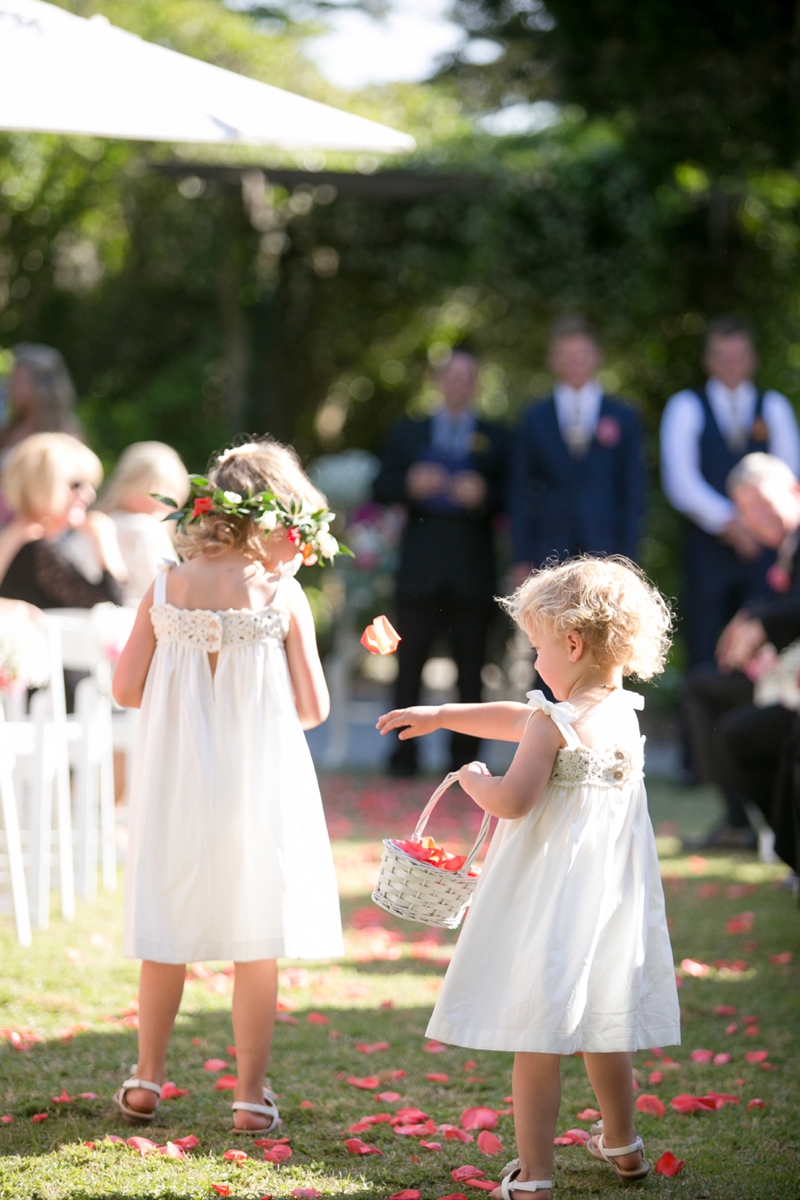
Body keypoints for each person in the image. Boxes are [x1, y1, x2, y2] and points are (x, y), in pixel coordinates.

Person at [377, 557, 678, 1197]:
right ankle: (622, 1141)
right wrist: (442, 715)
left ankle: (536, 1176)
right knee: (605, 1021)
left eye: (538, 647)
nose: (535, 663)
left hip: (550, 903)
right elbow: (516, 715)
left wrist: (477, 781)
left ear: (572, 643)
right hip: (607, 904)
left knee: (536, 1034)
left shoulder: (552, 724)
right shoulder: (621, 713)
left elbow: (514, 799)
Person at [111, 439, 343, 1131]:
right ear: (278, 511)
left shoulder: (167, 585)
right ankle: (247, 1094)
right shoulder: (281, 593)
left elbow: (126, 689)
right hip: (257, 782)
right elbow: (312, 710)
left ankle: (147, 1077)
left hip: (176, 782)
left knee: (166, 927)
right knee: (256, 936)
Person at [372, 344, 508, 777]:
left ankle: (466, 761)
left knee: (472, 672)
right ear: (437, 381)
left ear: (477, 384)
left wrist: (484, 495)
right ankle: (402, 757)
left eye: (467, 377)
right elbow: (380, 485)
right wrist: (410, 483)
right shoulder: (408, 432)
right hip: (419, 569)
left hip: (472, 568)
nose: (458, 385)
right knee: (408, 667)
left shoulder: (498, 436)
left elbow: (517, 496)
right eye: (450, 376)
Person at [660, 317, 800, 669]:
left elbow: (788, 474)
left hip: (768, 551)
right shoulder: (685, 406)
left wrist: (758, 526)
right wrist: (734, 522)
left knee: (768, 640)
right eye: (722, 356)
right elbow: (681, 482)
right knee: (704, 643)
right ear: (708, 361)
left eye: (739, 355)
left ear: (752, 359)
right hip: (708, 547)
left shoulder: (775, 407)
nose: (731, 364)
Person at [684, 453, 800, 855]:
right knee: (705, 690)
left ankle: (766, 833)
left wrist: (760, 622)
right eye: (746, 510)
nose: (757, 516)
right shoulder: (782, 550)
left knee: (737, 729)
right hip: (781, 680)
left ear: (794, 491)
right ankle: (742, 820)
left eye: (763, 502)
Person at [511, 318, 645, 577]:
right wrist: (522, 556)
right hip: (548, 547)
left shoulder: (623, 415)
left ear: (597, 356)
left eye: (581, 354)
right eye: (565, 355)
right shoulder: (534, 417)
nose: (574, 362)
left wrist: (629, 556)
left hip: (607, 547)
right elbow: (520, 489)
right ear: (552, 360)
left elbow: (632, 488)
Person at [0, 433, 126, 611]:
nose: (89, 495)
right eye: (77, 484)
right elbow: (110, 608)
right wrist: (105, 541)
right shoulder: (37, 548)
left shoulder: (15, 534)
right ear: (44, 484)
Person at [95, 441, 190, 606]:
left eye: (171, 490)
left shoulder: (101, 522)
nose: (163, 500)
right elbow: (169, 597)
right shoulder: (143, 528)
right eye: (155, 490)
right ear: (129, 486)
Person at [0, 344, 82, 454]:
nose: (10, 385)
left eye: (17, 378)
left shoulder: (66, 435)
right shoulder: (9, 430)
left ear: (40, 386)